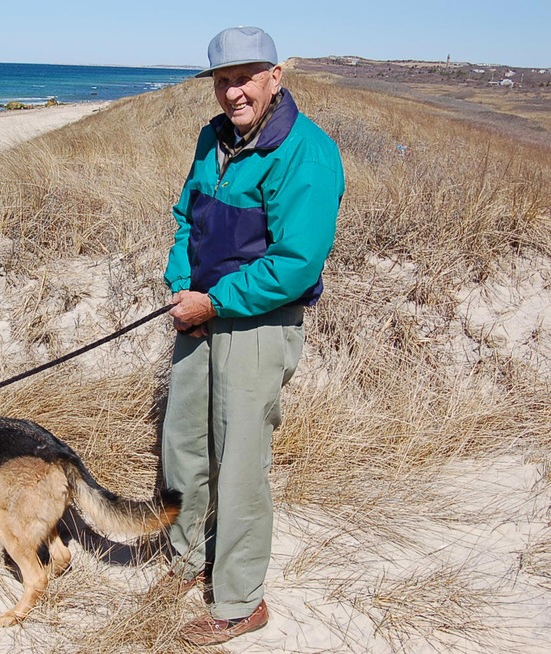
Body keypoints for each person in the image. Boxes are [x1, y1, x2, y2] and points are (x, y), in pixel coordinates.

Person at [160, 26, 344, 645]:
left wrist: (213, 301)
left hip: (258, 325)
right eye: (222, 81)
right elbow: (187, 217)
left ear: (275, 77)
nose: (233, 92)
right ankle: (186, 557)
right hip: (199, 314)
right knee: (184, 442)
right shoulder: (212, 138)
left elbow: (296, 264)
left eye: (245, 78)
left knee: (239, 461)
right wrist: (181, 284)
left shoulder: (307, 152)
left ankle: (241, 601)